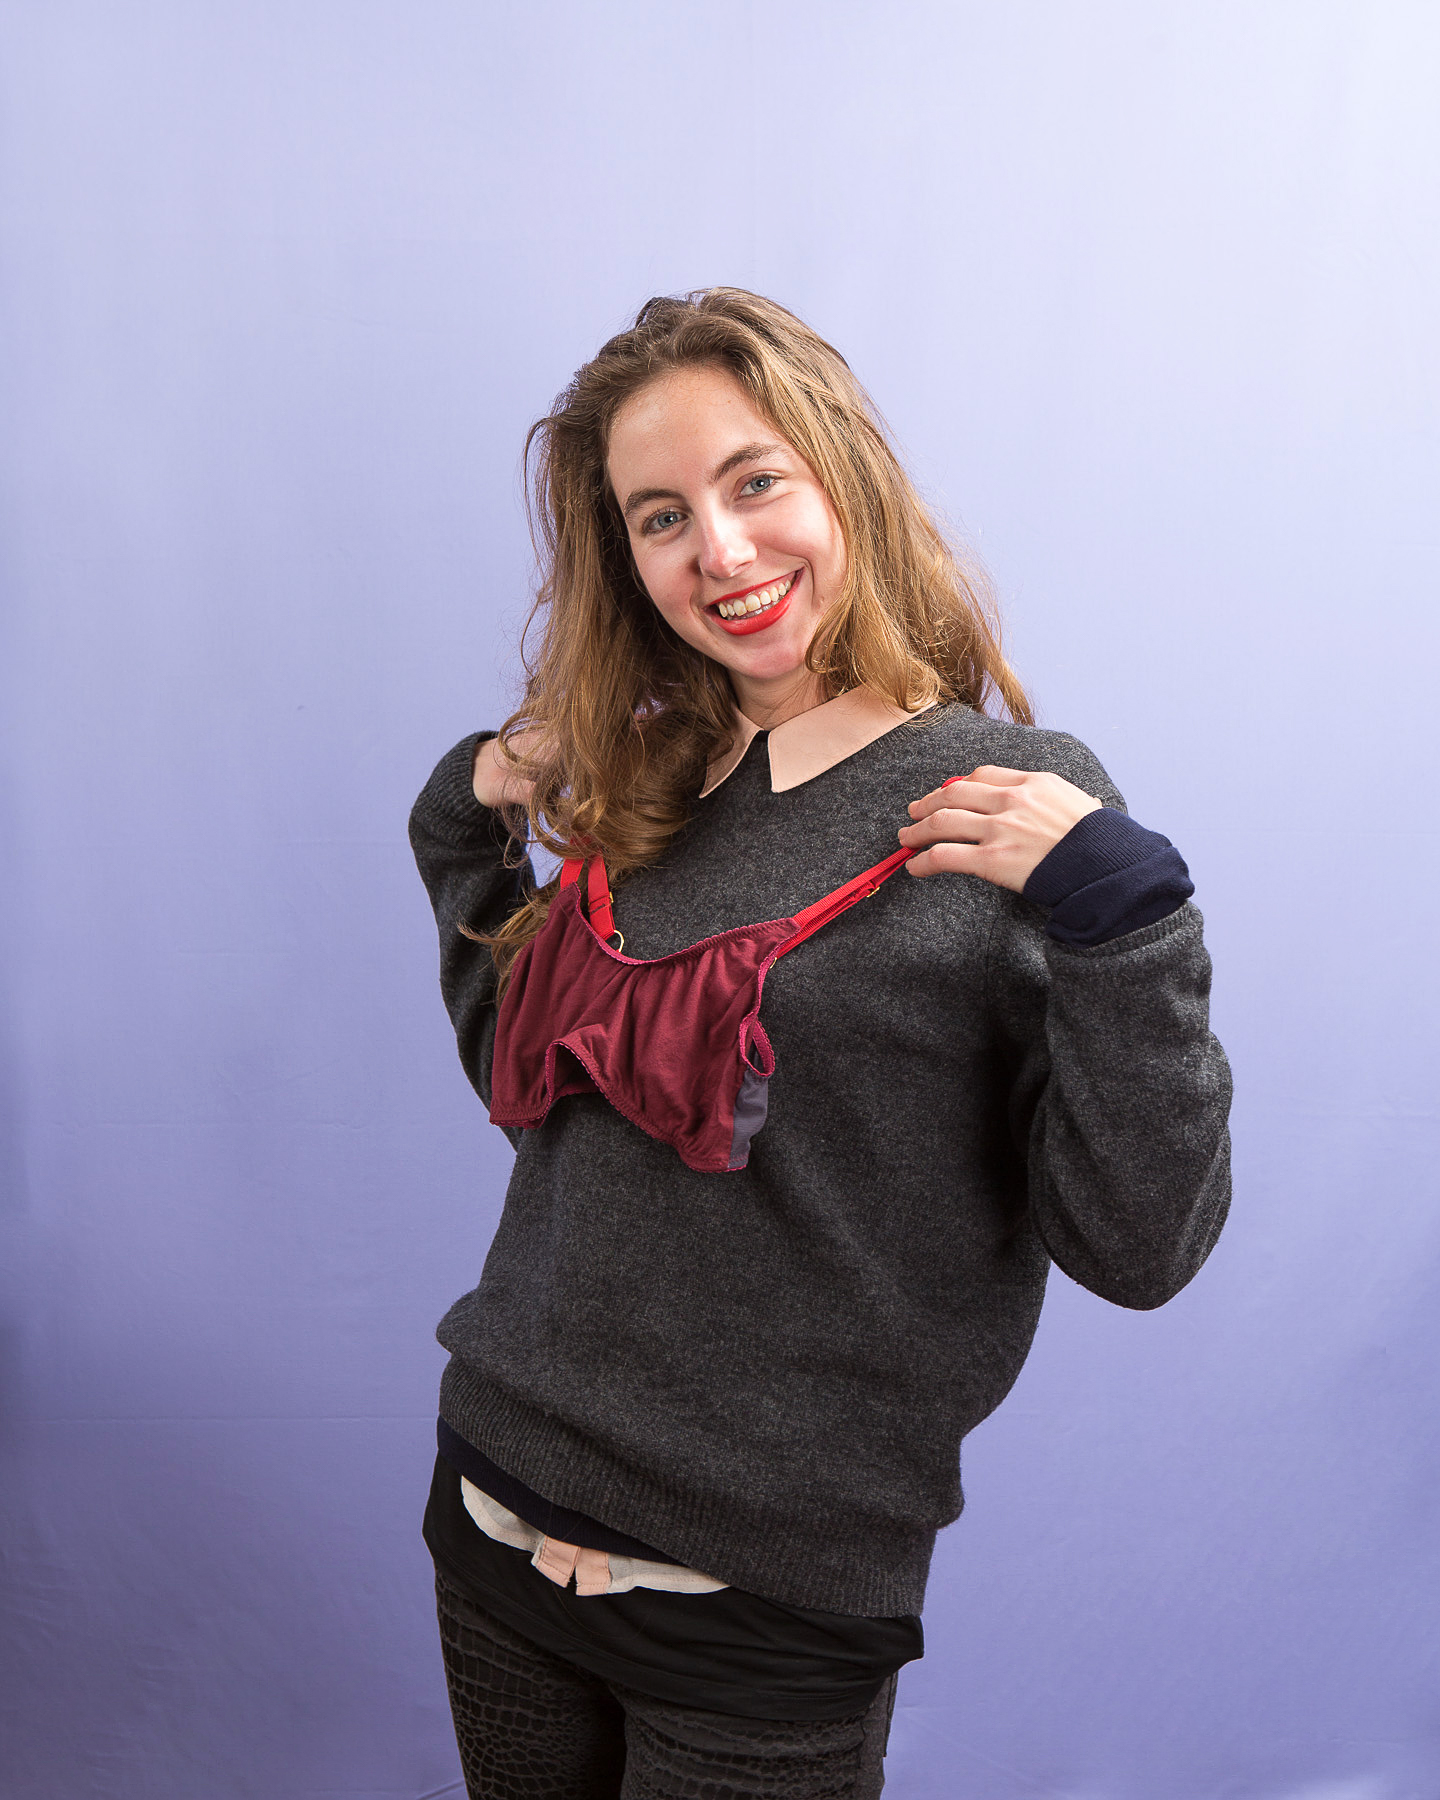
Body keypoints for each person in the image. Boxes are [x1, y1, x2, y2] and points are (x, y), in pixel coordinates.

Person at [409, 288, 1232, 1799]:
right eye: (662, 517)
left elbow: (1138, 1244)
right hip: (495, 1508)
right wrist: (468, 814)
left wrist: (1130, 925)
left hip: (765, 1594)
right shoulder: (647, 775)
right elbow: (535, 1093)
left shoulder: (1007, 798)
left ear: (840, 473)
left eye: (754, 481)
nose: (720, 552)